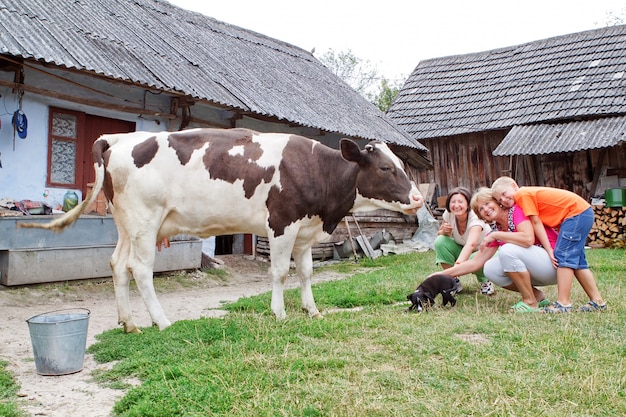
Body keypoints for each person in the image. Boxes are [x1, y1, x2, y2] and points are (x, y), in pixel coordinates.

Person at [491, 176, 606, 313]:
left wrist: (550, 251)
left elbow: (536, 222)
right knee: (579, 261)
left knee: (563, 256)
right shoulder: (526, 195)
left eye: (504, 194)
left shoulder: (523, 194)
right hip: (582, 213)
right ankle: (597, 301)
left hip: (576, 214)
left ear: (514, 185)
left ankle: (563, 303)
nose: (503, 200)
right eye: (500, 200)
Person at [432, 187, 558, 312]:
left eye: (487, 203)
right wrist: (439, 275)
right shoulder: (496, 231)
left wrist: (495, 235)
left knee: (507, 250)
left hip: (554, 264)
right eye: (481, 209)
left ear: (498, 203)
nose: (486, 209)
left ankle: (529, 302)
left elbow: (527, 238)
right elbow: (475, 263)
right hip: (537, 269)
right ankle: (536, 296)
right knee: (490, 268)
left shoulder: (516, 212)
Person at [434, 187, 493, 295]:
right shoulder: (449, 214)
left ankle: (485, 281)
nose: (456, 205)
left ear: (468, 204)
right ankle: (453, 282)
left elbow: (471, 244)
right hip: (462, 247)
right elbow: (441, 234)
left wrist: (457, 266)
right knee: (440, 241)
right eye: (453, 202)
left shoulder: (475, 217)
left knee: (474, 258)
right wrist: (444, 232)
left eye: (460, 202)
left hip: (482, 250)